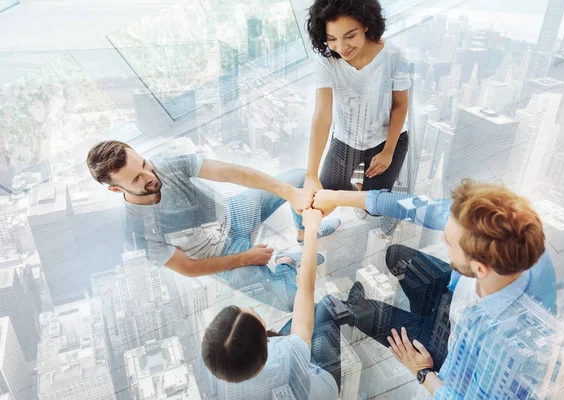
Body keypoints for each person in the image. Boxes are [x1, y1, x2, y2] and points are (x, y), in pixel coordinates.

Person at [313, 180, 560, 398]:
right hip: (449, 301)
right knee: (396, 255)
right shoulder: (506, 239)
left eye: (450, 242)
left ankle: (412, 328)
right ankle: (419, 315)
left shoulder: (504, 343)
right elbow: (420, 207)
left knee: (335, 309)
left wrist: (423, 373)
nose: (442, 239)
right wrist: (337, 197)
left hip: (445, 348)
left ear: (479, 269)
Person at [85, 140, 338, 312]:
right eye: (137, 178)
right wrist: (244, 258)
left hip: (235, 211)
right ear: (116, 189)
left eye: (143, 164)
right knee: (291, 302)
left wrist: (286, 192)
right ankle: (286, 262)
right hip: (221, 256)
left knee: (299, 178)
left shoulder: (166, 165)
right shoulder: (137, 230)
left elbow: (230, 173)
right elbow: (190, 268)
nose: (150, 176)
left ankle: (305, 236)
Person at [295, 0, 411, 240]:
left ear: (366, 24)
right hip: (346, 138)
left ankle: (358, 189)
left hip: (387, 138)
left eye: (349, 36)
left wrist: (388, 151)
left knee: (374, 208)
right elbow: (322, 114)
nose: (341, 46)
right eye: (332, 39)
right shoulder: (326, 60)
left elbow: (400, 106)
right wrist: (311, 173)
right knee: (319, 200)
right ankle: (349, 191)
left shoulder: (395, 55)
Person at [201, 209, 338, 400]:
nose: (251, 309)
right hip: (323, 389)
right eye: (256, 317)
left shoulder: (223, 374)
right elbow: (306, 290)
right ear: (265, 340)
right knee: (326, 306)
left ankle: (285, 263)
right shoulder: (287, 354)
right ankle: (286, 263)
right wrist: (311, 230)